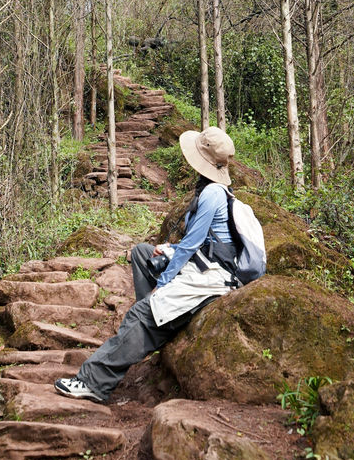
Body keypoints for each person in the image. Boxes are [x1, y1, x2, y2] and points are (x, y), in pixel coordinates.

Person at [54, 125, 238, 403]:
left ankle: (93, 381)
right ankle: (152, 326)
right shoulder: (213, 190)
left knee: (140, 313)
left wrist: (161, 288)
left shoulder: (212, 194)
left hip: (211, 276)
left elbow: (191, 246)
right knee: (143, 253)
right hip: (205, 264)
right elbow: (200, 243)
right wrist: (168, 248)